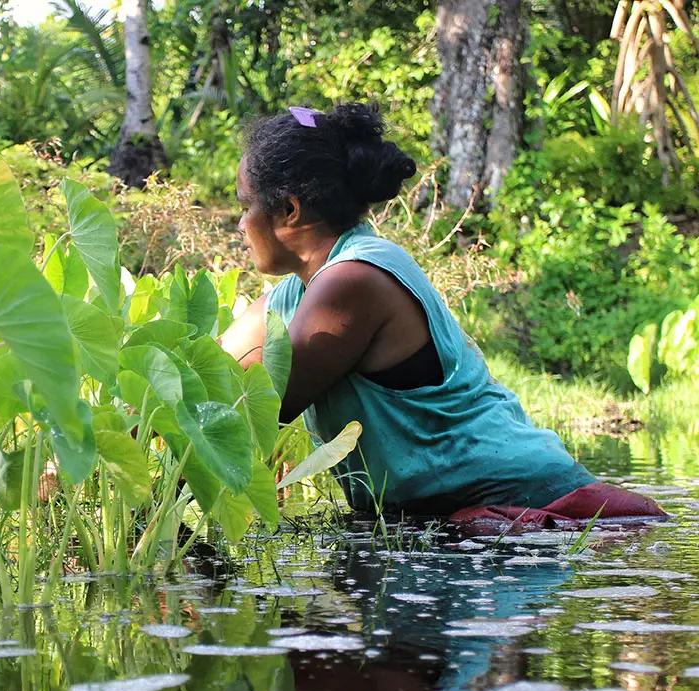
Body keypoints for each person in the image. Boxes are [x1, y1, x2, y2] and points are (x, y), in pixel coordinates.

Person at [218, 103, 665, 527]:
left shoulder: (353, 280)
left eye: (244, 206)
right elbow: (211, 372)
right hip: (445, 512)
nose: (240, 225)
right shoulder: (296, 291)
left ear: (290, 210)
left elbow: (258, 411)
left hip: (530, 505)